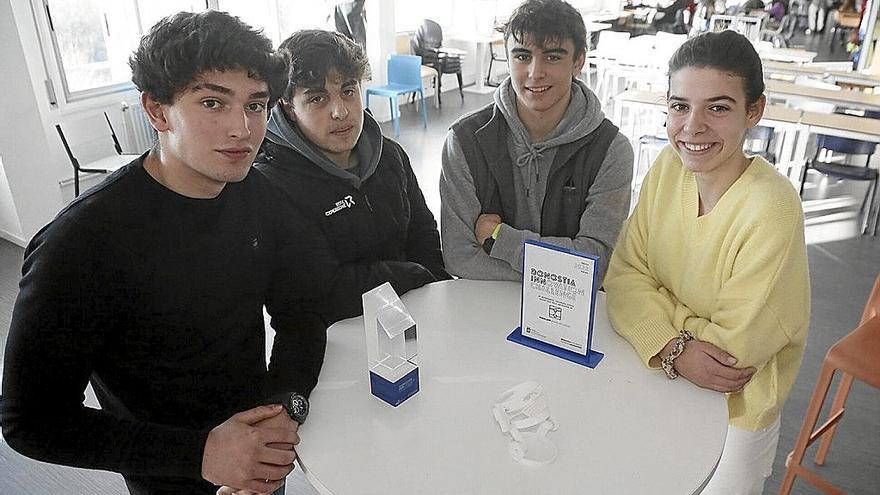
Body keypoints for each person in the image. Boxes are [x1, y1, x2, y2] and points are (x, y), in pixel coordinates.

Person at [1, 11, 334, 495]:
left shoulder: (257, 194)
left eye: (256, 105)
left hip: (260, 454)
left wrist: (284, 406)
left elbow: (301, 309)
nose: (243, 128)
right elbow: (29, 420)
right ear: (157, 112)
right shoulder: (81, 243)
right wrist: (202, 455)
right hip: (167, 475)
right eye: (212, 103)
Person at [604, 30, 810, 494]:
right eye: (680, 106)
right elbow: (623, 276)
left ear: (753, 111)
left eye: (717, 107)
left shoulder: (772, 209)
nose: (692, 127)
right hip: (657, 373)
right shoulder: (666, 168)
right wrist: (677, 346)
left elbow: (729, 357)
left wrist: (657, 320)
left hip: (733, 410)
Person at [255, 29, 450, 324]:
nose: (340, 111)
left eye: (348, 90)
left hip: (414, 320)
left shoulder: (390, 156)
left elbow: (423, 235)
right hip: (332, 343)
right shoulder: (271, 185)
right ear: (289, 108)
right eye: (318, 98)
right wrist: (414, 274)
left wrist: (434, 292)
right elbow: (323, 290)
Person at [440, 0, 633, 285]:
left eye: (553, 57)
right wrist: (561, 273)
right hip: (480, 307)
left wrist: (501, 239)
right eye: (522, 56)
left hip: (571, 320)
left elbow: (595, 265)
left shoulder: (611, 150)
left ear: (578, 61)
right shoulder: (464, 141)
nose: (535, 72)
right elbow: (458, 257)